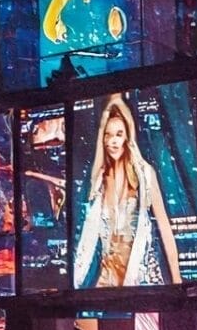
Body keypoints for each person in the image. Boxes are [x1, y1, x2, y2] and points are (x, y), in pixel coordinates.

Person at [74, 93, 182, 288]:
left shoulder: (144, 175)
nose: (113, 141)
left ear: (127, 137)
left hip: (141, 277)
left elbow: (165, 228)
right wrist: (106, 115)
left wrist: (177, 281)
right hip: (107, 279)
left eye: (119, 134)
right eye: (108, 135)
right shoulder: (100, 179)